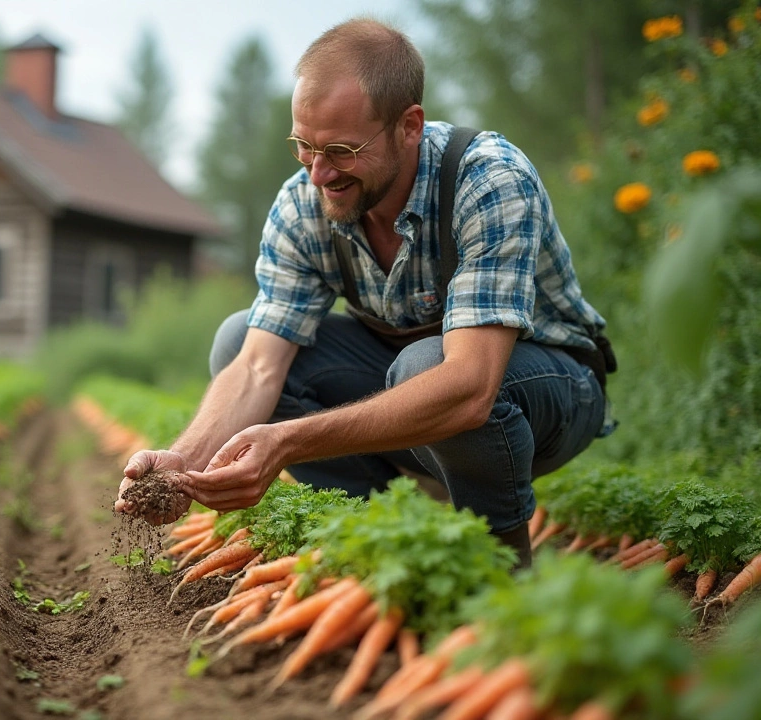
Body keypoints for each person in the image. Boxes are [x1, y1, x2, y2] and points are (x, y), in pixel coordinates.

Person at [114, 18, 613, 568]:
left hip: (550, 392)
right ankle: (385, 542)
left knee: (428, 367)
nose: (318, 174)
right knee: (239, 341)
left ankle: (502, 567)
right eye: (303, 146)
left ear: (409, 126)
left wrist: (290, 442)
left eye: (342, 151)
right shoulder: (303, 205)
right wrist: (183, 464)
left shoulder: (487, 180)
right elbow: (257, 367)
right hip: (418, 380)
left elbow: (470, 386)